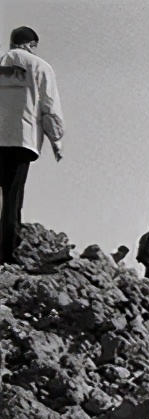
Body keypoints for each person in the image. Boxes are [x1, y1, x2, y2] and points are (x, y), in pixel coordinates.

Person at [0, 27, 64, 265]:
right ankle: (7, 253)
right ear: (32, 44)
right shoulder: (40, 67)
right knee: (12, 197)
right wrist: (56, 141)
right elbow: (50, 109)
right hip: (21, 139)